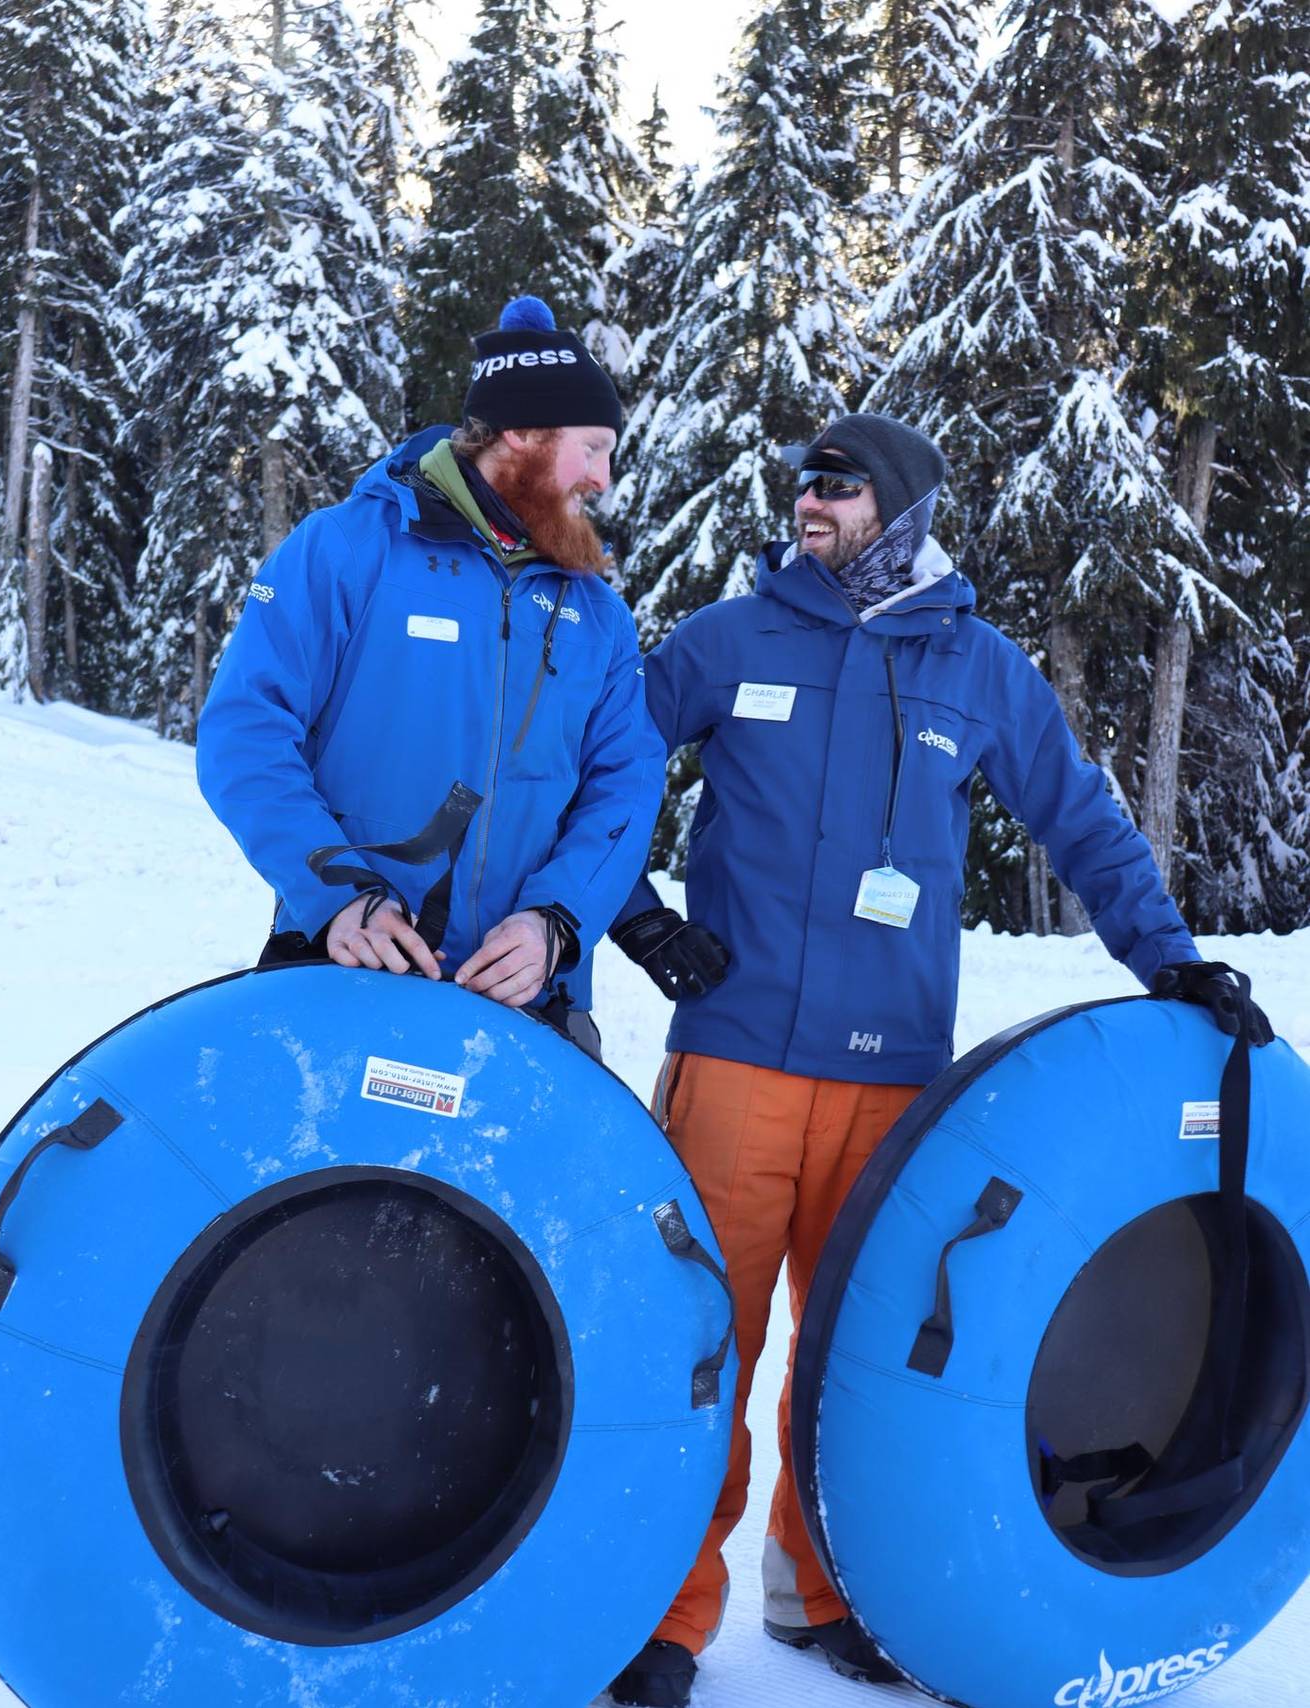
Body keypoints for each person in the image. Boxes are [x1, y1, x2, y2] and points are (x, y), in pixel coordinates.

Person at [606, 412, 1271, 1706]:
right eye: (801, 483)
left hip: (893, 1082)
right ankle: (658, 1620)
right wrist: (630, 911)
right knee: (699, 1340)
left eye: (839, 488)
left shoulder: (976, 671)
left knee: (856, 1364)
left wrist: (1168, 958)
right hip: (735, 1062)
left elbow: (1078, 819)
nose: (810, 503)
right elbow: (604, 769)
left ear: (899, 508)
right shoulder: (727, 641)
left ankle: (823, 1596)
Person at [197, 296, 664, 1046]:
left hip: (525, 1000)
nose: (605, 479)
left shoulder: (598, 614)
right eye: (594, 448)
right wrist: (338, 895)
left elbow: (628, 785)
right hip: (348, 965)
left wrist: (557, 922)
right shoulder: (349, 549)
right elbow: (245, 734)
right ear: (523, 434)